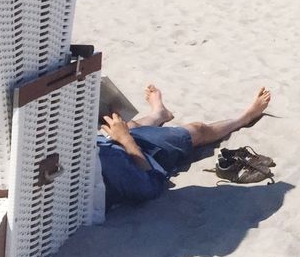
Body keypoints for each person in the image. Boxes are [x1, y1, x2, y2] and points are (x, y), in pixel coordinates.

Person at [97, 83, 271, 208]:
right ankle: (244, 118)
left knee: (130, 125)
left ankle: (158, 114)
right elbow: (151, 186)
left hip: (111, 142)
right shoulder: (108, 169)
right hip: (146, 155)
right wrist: (126, 139)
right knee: (198, 130)